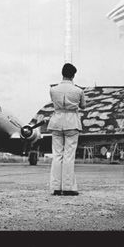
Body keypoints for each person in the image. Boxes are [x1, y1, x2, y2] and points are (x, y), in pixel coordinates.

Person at [47, 63, 86, 196]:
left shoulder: (53, 89)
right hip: (72, 121)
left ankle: (56, 187)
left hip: (57, 121)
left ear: (62, 73)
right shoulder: (79, 91)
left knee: (57, 155)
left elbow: (53, 102)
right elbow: (83, 106)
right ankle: (68, 187)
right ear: (73, 75)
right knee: (69, 155)